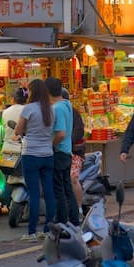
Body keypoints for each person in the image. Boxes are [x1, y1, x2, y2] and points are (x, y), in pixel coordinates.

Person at [13, 79, 58, 241]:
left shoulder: (28, 108)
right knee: (49, 192)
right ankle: (48, 229)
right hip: (48, 154)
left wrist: (25, 129)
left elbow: (18, 130)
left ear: (32, 92)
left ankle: (32, 231)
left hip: (31, 154)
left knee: (34, 193)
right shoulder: (51, 109)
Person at [45, 78, 80, 227]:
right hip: (66, 152)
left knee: (59, 190)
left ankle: (62, 221)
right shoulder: (67, 104)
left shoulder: (57, 108)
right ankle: (74, 221)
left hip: (59, 152)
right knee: (67, 189)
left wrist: (50, 145)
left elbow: (60, 133)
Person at [65, 89, 86, 209]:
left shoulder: (74, 113)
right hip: (59, 153)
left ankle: (79, 208)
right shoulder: (53, 112)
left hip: (75, 153)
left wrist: (66, 143)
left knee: (73, 178)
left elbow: (78, 132)